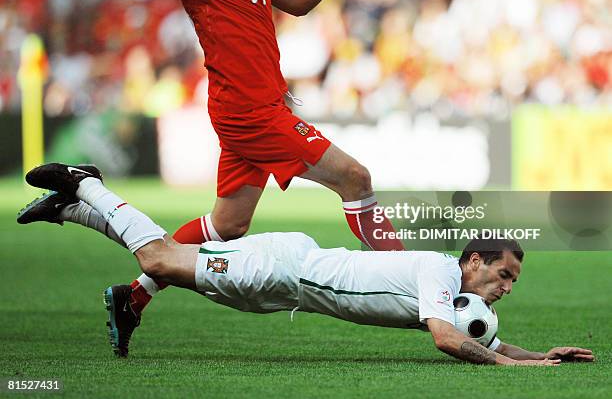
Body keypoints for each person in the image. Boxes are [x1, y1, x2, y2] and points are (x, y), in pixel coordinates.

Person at [117, 0, 404, 354]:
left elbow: (294, 4)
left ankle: (132, 296)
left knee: (227, 226)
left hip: (257, 106)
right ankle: (409, 281)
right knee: (356, 178)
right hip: (250, 112)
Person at [20, 162, 594, 365]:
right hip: (283, 267)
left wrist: (541, 355)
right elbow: (448, 341)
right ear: (475, 261)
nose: (506, 288)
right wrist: (516, 371)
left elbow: (485, 343)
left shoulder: (451, 288)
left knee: (171, 265)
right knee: (160, 258)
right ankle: (88, 186)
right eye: (504, 275)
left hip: (284, 288)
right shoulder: (439, 273)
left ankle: (71, 211)